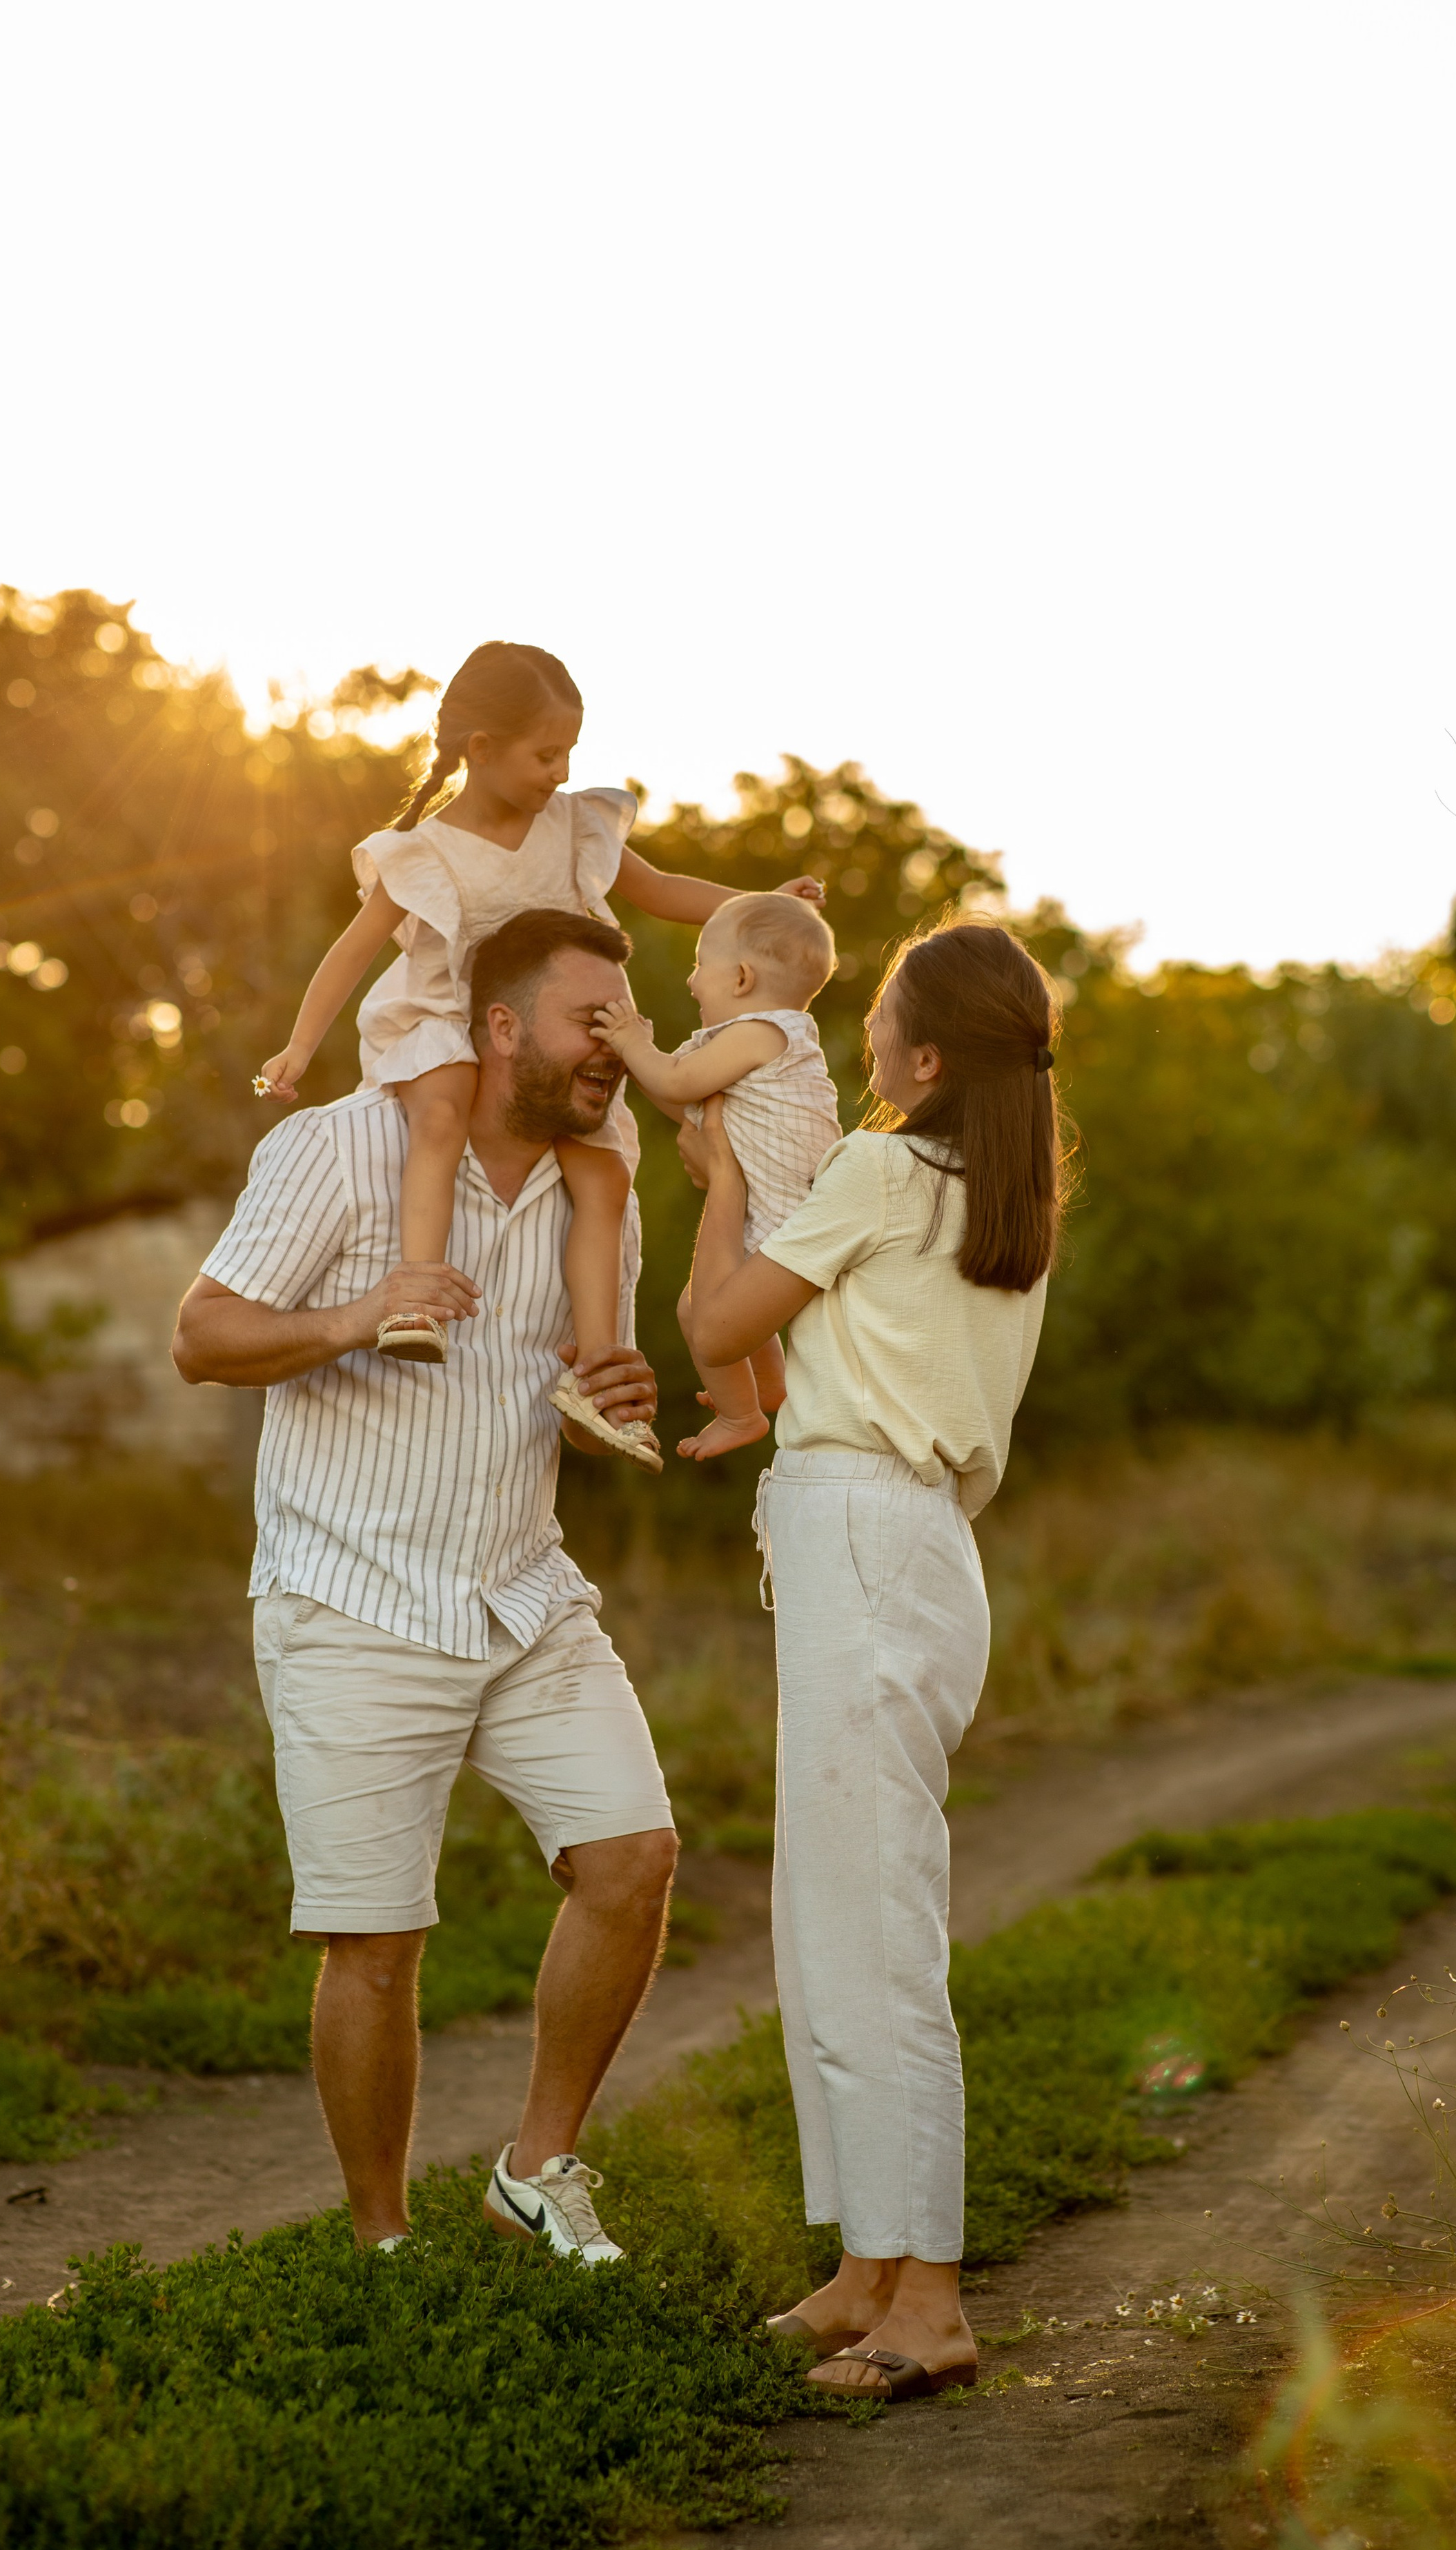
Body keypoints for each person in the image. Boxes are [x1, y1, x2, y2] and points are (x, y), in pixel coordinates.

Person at [173, 908, 683, 2262]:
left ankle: (533, 2167)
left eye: (625, 1028)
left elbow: (574, 1375)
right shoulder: (341, 1146)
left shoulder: (601, 1177)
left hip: (522, 1591)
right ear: (500, 1026)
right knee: (375, 1945)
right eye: (593, 1024)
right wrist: (355, 1314)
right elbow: (202, 1337)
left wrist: (612, 1386)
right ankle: (380, 2245)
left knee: (631, 1860)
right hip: (350, 1597)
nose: (616, 1051)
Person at [681, 919, 1068, 2397]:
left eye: (875, 1029)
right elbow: (818, 1352)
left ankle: (930, 2304)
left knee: (873, 1924)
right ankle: (864, 2266)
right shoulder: (996, 1204)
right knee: (825, 1909)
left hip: (865, 1539)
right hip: (907, 1550)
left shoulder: (879, 1171)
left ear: (917, 1060)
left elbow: (713, 1320)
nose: (855, 1050)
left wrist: (720, 1186)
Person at [255, 639, 822, 1466]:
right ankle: (417, 1292)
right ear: (481, 751)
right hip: (454, 1020)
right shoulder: (425, 851)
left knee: (603, 1176)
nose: (560, 771)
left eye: (570, 753)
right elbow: (351, 953)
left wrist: (766, 904)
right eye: (545, 753)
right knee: (443, 1107)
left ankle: (596, 1366)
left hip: (564, 1033)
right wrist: (298, 1047)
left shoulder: (573, 826)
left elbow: (662, 891)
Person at [591, 892, 842, 1459]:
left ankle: (741, 1413)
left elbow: (679, 1084)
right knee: (727, 1304)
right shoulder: (770, 1044)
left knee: (695, 1310)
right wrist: (635, 1060)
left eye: (702, 963)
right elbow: (686, 1104)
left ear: (743, 977)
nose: (691, 980)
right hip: (789, 1210)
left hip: (783, 1211)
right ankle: (772, 1385)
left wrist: (634, 1042)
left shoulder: (757, 1035)